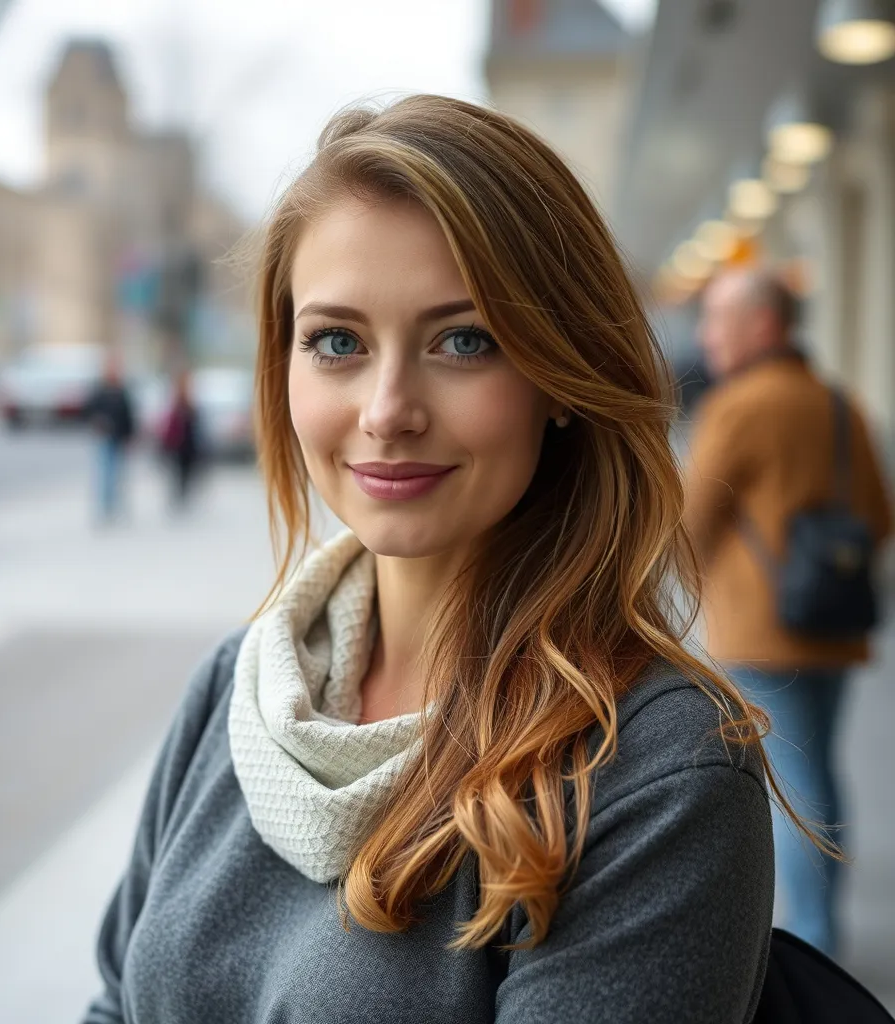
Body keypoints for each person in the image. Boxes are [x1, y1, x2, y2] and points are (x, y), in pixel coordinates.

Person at [82, 96, 788, 1024]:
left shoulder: (657, 772)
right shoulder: (239, 687)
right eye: (337, 342)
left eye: (464, 340)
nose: (386, 410)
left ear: (559, 376)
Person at [684, 268, 892, 957]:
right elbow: (879, 518)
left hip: (762, 630)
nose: (707, 335)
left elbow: (689, 522)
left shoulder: (739, 406)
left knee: (791, 787)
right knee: (820, 773)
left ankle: (810, 938)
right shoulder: (840, 405)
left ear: (764, 325)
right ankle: (819, 927)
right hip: (832, 622)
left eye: (718, 318)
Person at [85, 353, 136, 523]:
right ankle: (105, 508)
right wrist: (98, 423)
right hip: (105, 438)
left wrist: (130, 435)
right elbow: (90, 411)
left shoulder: (121, 390)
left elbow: (129, 415)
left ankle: (117, 506)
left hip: (120, 437)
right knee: (105, 474)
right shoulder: (100, 389)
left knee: (119, 474)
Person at [159, 369, 201, 510]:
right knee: (177, 473)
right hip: (177, 444)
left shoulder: (191, 403)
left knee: (186, 472)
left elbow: (195, 423)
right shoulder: (177, 402)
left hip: (188, 445)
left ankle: (183, 495)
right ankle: (178, 496)